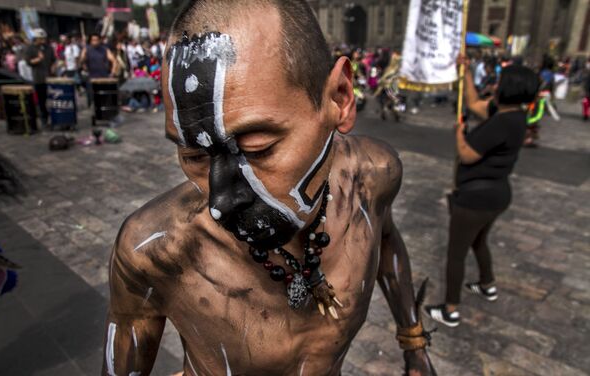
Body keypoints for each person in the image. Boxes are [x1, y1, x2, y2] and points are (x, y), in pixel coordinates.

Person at [102, 1, 437, 375]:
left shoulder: (373, 176)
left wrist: (414, 342)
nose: (220, 201)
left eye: (258, 148)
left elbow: (386, 237)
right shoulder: (156, 250)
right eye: (194, 156)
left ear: (339, 97)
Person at [424, 55, 539, 327]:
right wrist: (465, 73)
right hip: (496, 195)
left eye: (501, 81)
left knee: (456, 253)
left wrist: (459, 133)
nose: (496, 83)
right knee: (479, 241)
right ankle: (488, 284)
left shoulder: (502, 122)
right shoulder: (514, 115)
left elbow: (467, 155)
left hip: (476, 198)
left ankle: (450, 309)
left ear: (509, 88)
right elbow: (475, 103)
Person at [25, 28, 55, 129]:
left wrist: (54, 66)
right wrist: (38, 59)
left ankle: (54, 118)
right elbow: (28, 62)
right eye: (40, 38)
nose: (43, 40)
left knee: (52, 99)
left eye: (44, 38)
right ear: (36, 38)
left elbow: (53, 60)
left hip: (49, 77)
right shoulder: (30, 48)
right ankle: (44, 119)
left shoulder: (48, 48)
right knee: (42, 101)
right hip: (38, 78)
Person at [80, 33, 118, 107]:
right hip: (91, 77)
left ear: (100, 40)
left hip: (103, 77)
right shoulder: (87, 49)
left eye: (97, 40)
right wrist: (83, 58)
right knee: (92, 98)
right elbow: (82, 61)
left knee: (103, 97)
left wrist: (112, 72)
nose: (95, 41)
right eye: (93, 40)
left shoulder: (104, 49)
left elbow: (114, 61)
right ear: (90, 41)